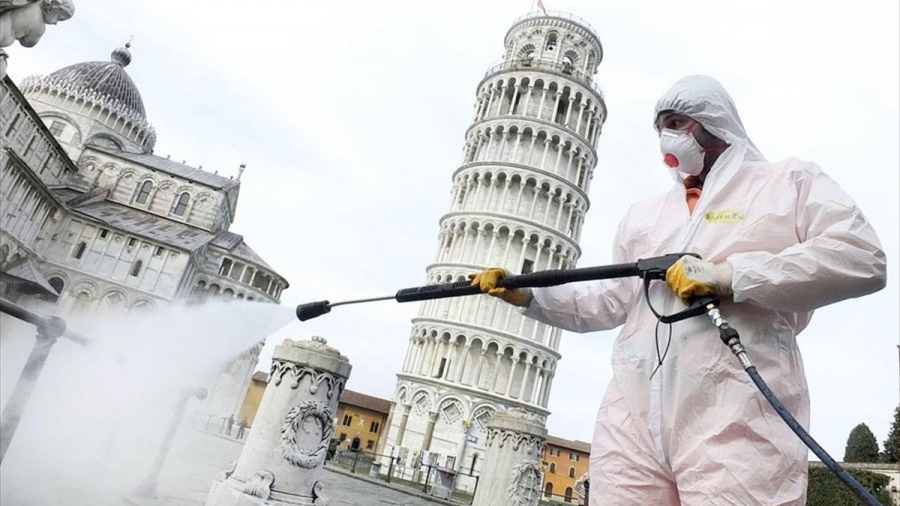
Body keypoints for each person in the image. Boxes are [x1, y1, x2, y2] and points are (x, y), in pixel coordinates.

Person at [470, 75, 886, 505]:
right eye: (660, 127)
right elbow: (611, 300)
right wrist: (530, 296)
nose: (666, 137)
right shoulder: (646, 215)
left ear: (714, 121)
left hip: (736, 419)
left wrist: (730, 276)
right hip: (632, 421)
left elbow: (860, 257)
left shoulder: (786, 183)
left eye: (676, 122)